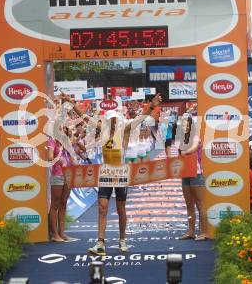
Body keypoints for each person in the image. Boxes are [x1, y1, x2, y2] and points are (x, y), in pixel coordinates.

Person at [61, 93, 162, 255]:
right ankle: (100, 243)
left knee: (121, 209)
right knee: (102, 208)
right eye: (111, 119)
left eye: (116, 119)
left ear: (119, 119)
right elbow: (84, 116)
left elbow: (141, 118)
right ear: (108, 120)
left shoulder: (125, 128)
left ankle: (122, 240)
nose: (114, 121)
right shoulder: (103, 129)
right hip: (106, 173)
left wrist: (152, 105)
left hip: (121, 173)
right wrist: (71, 103)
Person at [179, 115, 208, 241]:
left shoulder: (196, 138)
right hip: (185, 174)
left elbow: (194, 147)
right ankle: (190, 231)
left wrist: (185, 151)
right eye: (183, 125)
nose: (185, 127)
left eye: (187, 125)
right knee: (189, 204)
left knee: (200, 204)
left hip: (196, 174)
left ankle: (204, 232)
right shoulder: (181, 139)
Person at [47, 131, 73, 242]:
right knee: (55, 204)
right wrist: (59, 160)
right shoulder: (52, 141)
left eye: (65, 129)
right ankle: (54, 234)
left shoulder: (66, 143)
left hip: (69, 174)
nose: (63, 131)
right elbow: (49, 157)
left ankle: (62, 232)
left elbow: (72, 158)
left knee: (63, 203)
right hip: (57, 175)